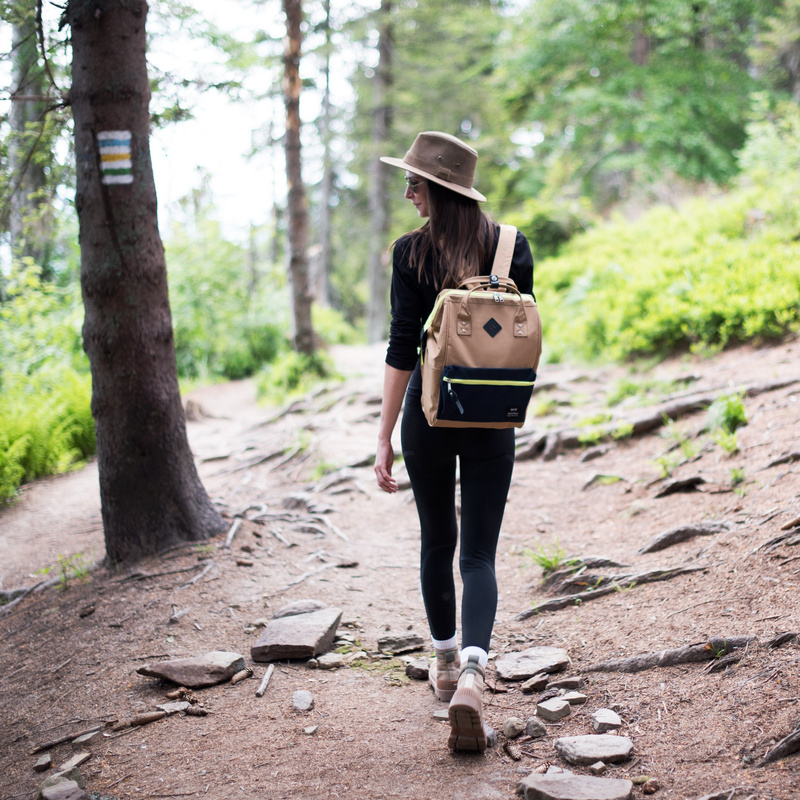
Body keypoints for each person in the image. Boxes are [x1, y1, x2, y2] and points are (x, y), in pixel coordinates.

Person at [374, 131, 534, 752]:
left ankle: (442, 663)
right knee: (480, 555)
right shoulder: (513, 247)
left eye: (413, 182)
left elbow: (400, 348)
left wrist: (384, 436)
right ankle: (473, 668)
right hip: (495, 415)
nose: (408, 191)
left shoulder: (410, 253)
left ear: (437, 191)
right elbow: (515, 330)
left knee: (437, 539)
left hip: (431, 415)